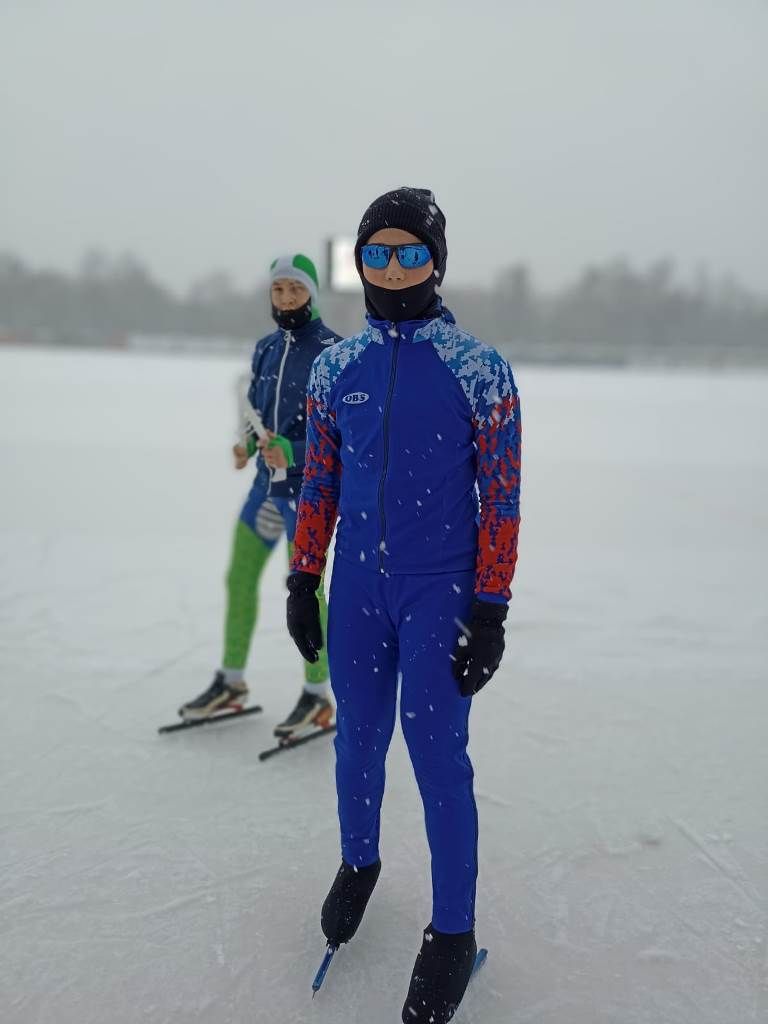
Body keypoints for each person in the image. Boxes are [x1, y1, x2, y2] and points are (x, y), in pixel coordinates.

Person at [285, 189, 521, 1022]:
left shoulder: (477, 369)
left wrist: (489, 609)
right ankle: (360, 863)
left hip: (441, 592)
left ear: (436, 261)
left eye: (408, 252)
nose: (391, 269)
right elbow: (318, 483)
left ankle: (450, 934)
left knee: (434, 754)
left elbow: (502, 498)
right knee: (356, 739)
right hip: (356, 591)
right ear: (358, 263)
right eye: (375, 254)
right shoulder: (335, 368)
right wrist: (300, 577)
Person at [179, 254, 342, 738]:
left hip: (308, 496)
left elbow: (343, 437)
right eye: (278, 290)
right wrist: (246, 444)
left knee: (307, 593)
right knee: (239, 579)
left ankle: (318, 696)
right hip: (264, 492)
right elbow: (256, 414)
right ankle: (231, 683)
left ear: (312, 293)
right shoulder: (266, 348)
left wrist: (291, 451)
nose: (287, 298)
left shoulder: (334, 351)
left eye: (295, 289)